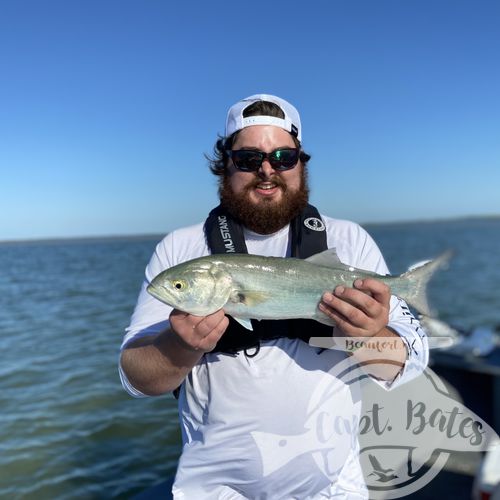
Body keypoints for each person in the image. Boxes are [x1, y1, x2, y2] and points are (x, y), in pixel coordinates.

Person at [120, 94, 429, 499]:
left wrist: (368, 336)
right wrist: (178, 345)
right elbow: (135, 378)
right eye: (248, 159)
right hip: (214, 490)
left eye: (283, 157)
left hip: (333, 488)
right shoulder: (181, 249)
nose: (267, 170)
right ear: (224, 165)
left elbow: (410, 362)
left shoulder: (350, 241)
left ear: (301, 163)